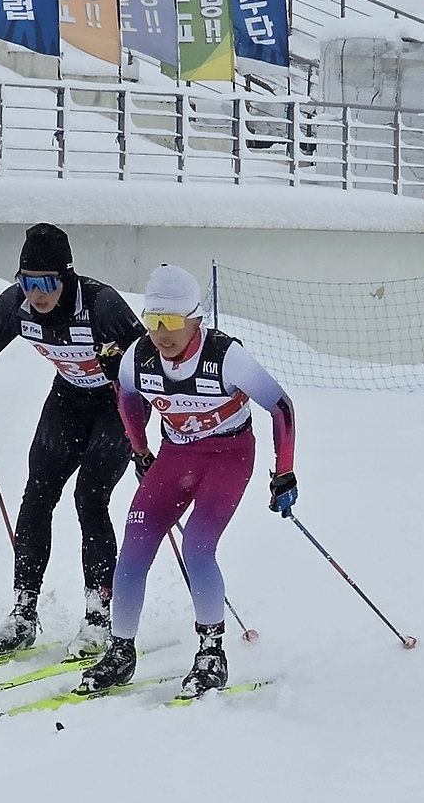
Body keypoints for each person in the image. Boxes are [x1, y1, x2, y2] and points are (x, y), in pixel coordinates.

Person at [80, 263, 298, 698]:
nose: (162, 333)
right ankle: (121, 651)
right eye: (153, 319)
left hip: (228, 457)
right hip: (176, 456)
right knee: (135, 545)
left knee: (198, 547)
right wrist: (140, 449)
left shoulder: (225, 357)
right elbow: (127, 397)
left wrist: (284, 472)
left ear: (195, 319)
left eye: (172, 321)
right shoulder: (138, 357)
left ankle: (211, 654)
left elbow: (281, 408)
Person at [0, 223, 144, 659]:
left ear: (66, 276)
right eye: (26, 282)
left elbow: (153, 363)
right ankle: (24, 613)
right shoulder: (16, 306)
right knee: (37, 496)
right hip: (68, 400)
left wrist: (121, 366)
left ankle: (99, 617)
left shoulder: (101, 304)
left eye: (46, 283)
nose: (36, 294)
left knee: (90, 497)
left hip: (116, 405)